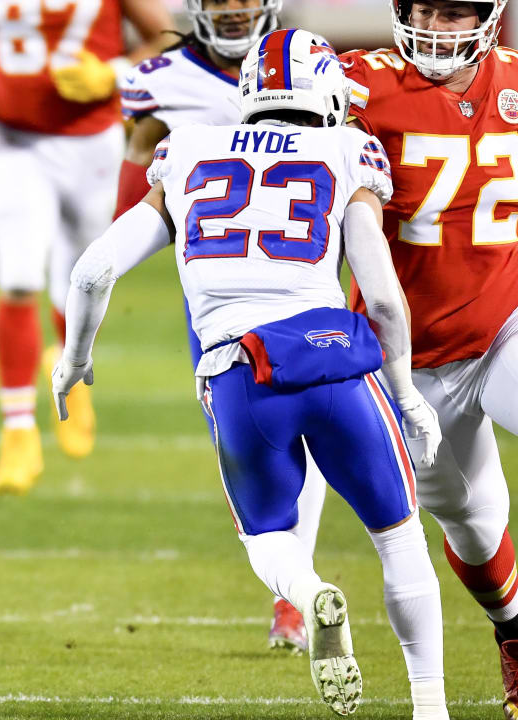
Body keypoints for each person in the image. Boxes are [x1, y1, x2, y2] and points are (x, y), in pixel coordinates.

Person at [55, 29, 449, 718]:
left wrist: (75, 359)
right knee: (399, 535)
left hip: (237, 374)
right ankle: (431, 706)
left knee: (266, 535)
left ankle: (307, 593)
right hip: (332, 359)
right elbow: (382, 296)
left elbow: (92, 269)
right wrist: (409, 395)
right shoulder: (346, 149)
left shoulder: (189, 150)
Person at [115, 0, 321, 654]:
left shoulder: (313, 62)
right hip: (219, 291)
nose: (234, 10)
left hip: (304, 275)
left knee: (310, 437)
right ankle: (294, 583)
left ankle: (294, 596)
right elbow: (134, 186)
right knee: (248, 449)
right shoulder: (158, 79)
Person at [341, 1, 518, 715]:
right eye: (427, 11)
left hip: (504, 326)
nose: (439, 27)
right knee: (473, 525)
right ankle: (513, 633)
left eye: (455, 12)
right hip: (401, 360)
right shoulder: (353, 84)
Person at [0, 0, 173, 495]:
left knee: (82, 278)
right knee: (19, 279)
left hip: (94, 142)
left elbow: (168, 38)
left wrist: (115, 72)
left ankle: (68, 362)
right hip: (14, 141)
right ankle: (18, 430)